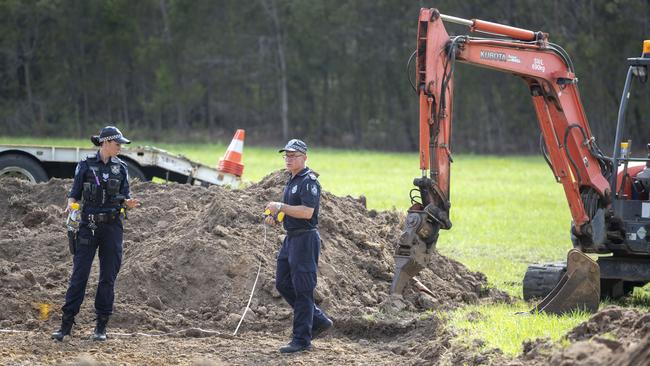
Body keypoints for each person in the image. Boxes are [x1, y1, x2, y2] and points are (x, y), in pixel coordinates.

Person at [52, 126, 140, 342]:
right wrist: (70, 207)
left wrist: (128, 203)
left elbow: (125, 196)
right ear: (106, 143)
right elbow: (74, 194)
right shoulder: (85, 165)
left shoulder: (122, 168)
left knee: (108, 277)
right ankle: (66, 325)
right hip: (88, 225)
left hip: (112, 227)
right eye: (117, 143)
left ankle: (101, 326)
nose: (120, 147)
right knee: (79, 276)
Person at [265, 138, 333, 353]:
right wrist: (277, 217)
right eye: (286, 155)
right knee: (283, 283)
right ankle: (318, 319)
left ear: (305, 157)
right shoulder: (292, 180)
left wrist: (280, 206)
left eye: (293, 155)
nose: (288, 159)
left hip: (305, 239)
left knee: (303, 290)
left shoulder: (308, 181)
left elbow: (307, 212)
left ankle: (301, 340)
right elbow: (291, 210)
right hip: (291, 238)